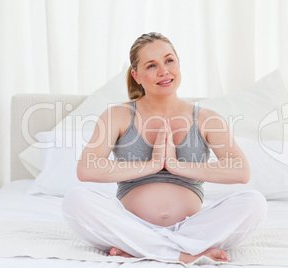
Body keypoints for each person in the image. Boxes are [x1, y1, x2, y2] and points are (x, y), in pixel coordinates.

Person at [62, 32, 267, 263]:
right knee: (75, 200)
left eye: (169, 60)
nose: (163, 71)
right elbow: (87, 169)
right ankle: (183, 254)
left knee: (254, 202)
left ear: (178, 64)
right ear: (136, 75)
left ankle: (143, 250)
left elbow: (240, 171)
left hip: (192, 229)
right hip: (132, 226)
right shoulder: (117, 116)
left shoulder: (207, 119)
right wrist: (151, 165)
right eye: (151, 65)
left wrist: (176, 165)